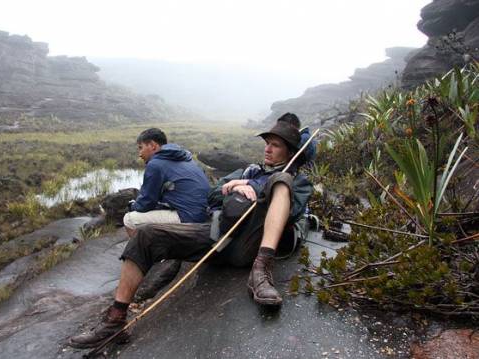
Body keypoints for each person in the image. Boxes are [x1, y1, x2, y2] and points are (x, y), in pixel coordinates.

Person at [68, 116, 313, 349]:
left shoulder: (298, 181)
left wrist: (256, 187)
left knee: (281, 181)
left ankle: (261, 271)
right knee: (147, 236)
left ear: (290, 152)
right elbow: (213, 194)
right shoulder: (248, 170)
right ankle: (115, 320)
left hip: (249, 244)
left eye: (276, 145)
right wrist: (236, 184)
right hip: (217, 238)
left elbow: (292, 211)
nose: (267, 149)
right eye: (267, 144)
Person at [123, 128, 211, 237]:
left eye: (141, 148)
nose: (140, 154)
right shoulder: (185, 157)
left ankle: (141, 252)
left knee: (129, 219)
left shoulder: (155, 164)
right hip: (205, 212)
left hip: (189, 218)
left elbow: (146, 203)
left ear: (152, 145)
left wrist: (132, 206)